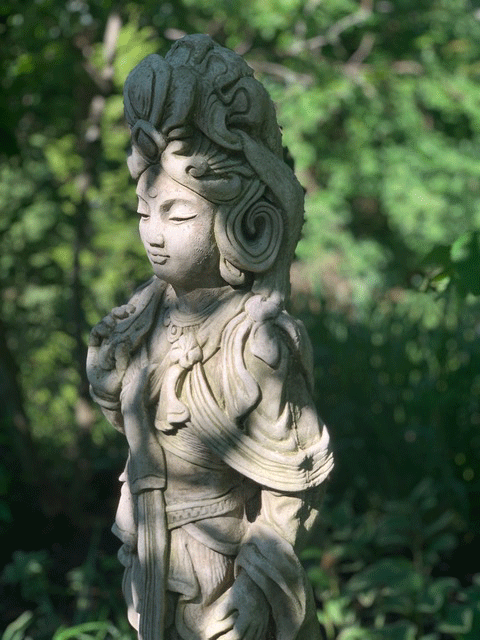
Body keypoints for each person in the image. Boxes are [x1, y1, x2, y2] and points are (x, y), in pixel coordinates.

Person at [87, 35, 333, 640]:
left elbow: (292, 483)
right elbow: (130, 420)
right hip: (147, 555)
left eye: (177, 214)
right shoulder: (141, 316)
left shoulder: (256, 340)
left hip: (219, 565)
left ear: (234, 219)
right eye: (144, 212)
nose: (154, 233)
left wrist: (256, 587)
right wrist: (106, 371)